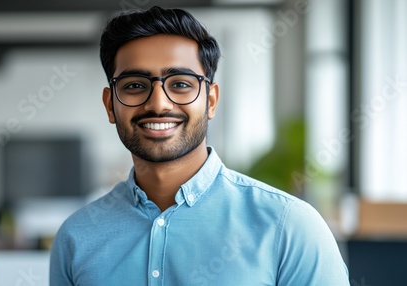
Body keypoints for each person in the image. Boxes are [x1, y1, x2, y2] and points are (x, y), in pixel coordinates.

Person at [50, 6, 349, 285]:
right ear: (110, 105)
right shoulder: (76, 237)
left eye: (180, 84)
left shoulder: (290, 227)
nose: (158, 103)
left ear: (211, 100)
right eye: (135, 85)